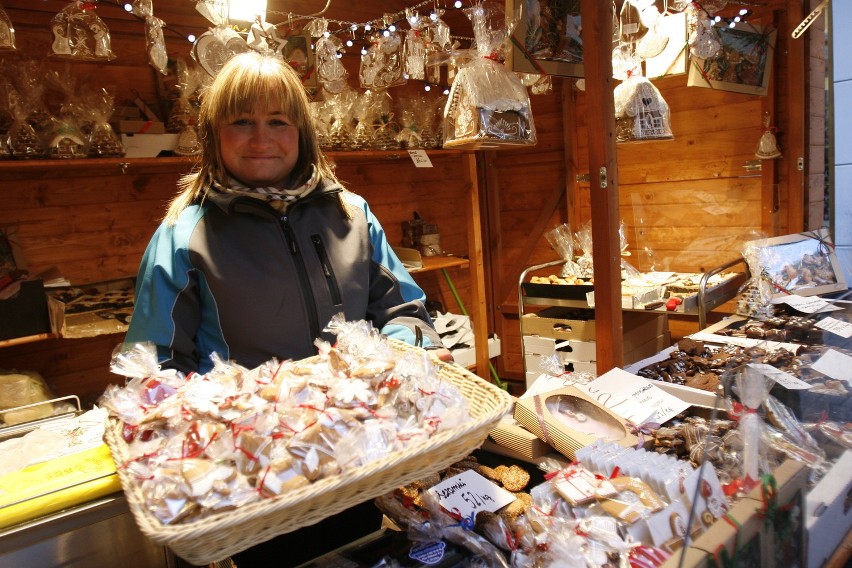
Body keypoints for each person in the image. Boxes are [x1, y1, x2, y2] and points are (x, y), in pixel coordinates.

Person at [125, 50, 450, 566]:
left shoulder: (350, 213)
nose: (261, 139)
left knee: (362, 548)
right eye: (241, 123)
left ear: (302, 132)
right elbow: (153, 369)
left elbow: (403, 309)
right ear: (213, 136)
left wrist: (408, 362)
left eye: (278, 121)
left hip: (360, 453)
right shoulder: (184, 236)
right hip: (257, 476)